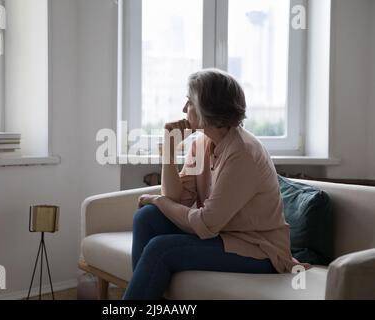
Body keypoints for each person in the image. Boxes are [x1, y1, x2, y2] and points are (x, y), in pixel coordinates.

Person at [123, 68, 309, 300]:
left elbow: (205, 223)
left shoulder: (243, 153)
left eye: (189, 102)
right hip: (221, 236)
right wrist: (169, 152)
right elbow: (177, 200)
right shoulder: (201, 143)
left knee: (161, 249)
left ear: (207, 110)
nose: (183, 109)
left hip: (258, 249)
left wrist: (159, 200)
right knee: (146, 217)